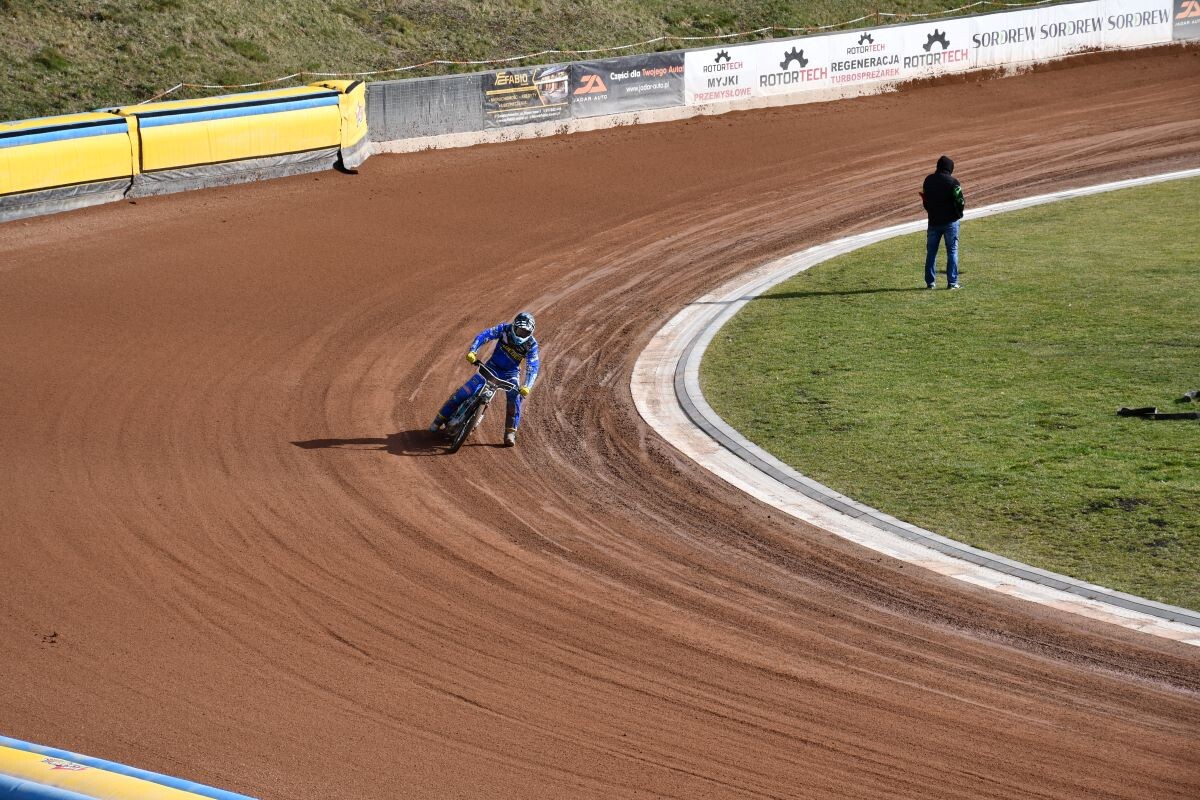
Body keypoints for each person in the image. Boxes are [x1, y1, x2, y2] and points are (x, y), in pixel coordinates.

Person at [429, 311, 540, 447]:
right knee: (464, 392)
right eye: (520, 330)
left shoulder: (531, 345)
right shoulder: (504, 329)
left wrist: (527, 386)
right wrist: (473, 351)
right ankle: (438, 420)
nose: (521, 334)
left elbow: (533, 366)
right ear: (514, 326)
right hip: (491, 367)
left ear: (530, 333)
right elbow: (485, 335)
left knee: (515, 398)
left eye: (525, 332)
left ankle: (510, 433)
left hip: (510, 374)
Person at [919, 155, 966, 289]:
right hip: (950, 222)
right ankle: (952, 283)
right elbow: (960, 201)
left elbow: (925, 200)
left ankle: (930, 283)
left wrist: (931, 212)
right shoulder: (953, 182)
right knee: (952, 251)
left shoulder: (928, 181)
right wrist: (958, 214)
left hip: (933, 222)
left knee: (931, 253)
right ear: (950, 168)